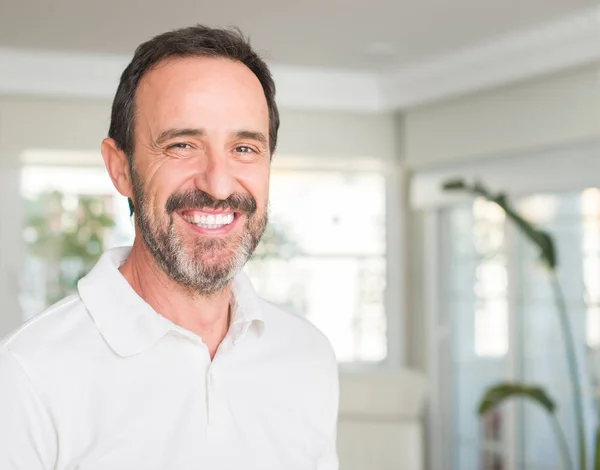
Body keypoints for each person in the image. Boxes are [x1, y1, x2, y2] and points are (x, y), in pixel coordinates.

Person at [0, 25, 339, 470]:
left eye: (244, 147)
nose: (218, 184)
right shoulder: (26, 374)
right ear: (120, 168)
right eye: (182, 145)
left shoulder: (307, 353)